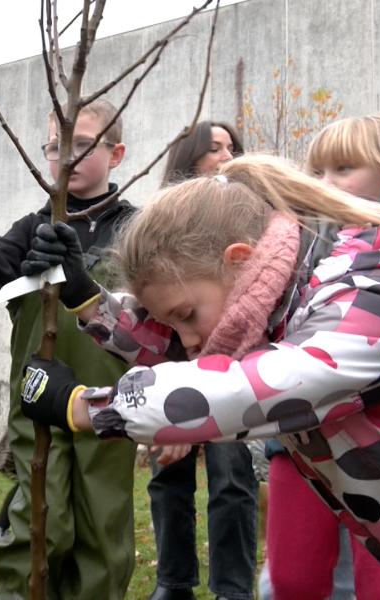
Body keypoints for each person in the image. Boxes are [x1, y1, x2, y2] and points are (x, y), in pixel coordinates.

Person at [18, 153, 380, 598]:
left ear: (240, 260)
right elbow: (182, 347)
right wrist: (86, 299)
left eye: (186, 315)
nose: (187, 340)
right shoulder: (287, 304)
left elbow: (245, 387)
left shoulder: (377, 297)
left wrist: (83, 407)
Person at [0, 99, 137, 599]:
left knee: (102, 521)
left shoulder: (137, 230)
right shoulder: (34, 228)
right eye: (55, 146)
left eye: (82, 144)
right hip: (38, 397)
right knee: (39, 516)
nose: (66, 156)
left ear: (116, 154)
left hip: (110, 403)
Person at [252, 113, 380, 600]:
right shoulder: (306, 240)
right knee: (292, 579)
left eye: (344, 169)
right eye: (319, 172)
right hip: (303, 437)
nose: (326, 184)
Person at [143, 121, 258, 600]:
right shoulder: (161, 220)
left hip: (234, 363)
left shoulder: (249, 214)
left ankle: (233, 588)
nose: (227, 156)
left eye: (232, 147)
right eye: (214, 148)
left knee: (232, 478)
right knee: (168, 477)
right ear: (188, 158)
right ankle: (173, 582)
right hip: (173, 363)